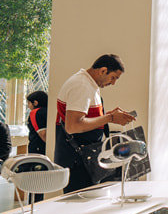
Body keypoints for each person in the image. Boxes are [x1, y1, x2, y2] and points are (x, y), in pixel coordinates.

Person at [55, 54, 136, 193]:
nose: (113, 83)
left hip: (84, 160)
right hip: (78, 163)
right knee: (80, 207)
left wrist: (107, 116)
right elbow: (73, 126)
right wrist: (109, 118)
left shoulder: (88, 84)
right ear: (103, 70)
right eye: (114, 77)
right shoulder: (82, 86)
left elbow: (84, 118)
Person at [25, 90, 48, 156]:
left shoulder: (35, 112)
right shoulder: (48, 111)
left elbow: (43, 134)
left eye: (29, 103)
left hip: (37, 149)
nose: (28, 106)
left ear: (35, 103)